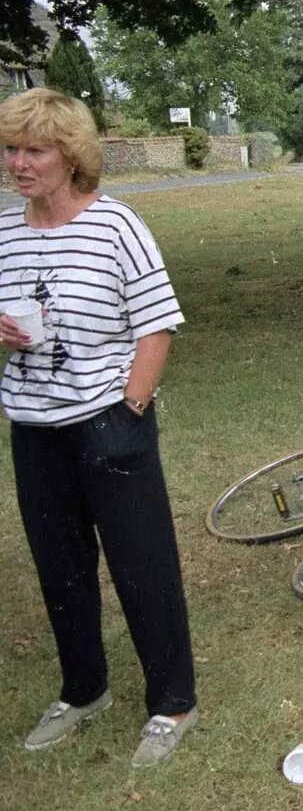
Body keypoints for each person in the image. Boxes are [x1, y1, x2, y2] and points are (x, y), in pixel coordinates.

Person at [0, 88, 197, 767]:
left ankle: (172, 702)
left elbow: (157, 323)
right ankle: (84, 690)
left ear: (70, 154)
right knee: (61, 570)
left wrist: (129, 408)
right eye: (11, 149)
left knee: (144, 567)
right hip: (35, 427)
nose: (19, 163)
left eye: (35, 149)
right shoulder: (5, 231)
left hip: (111, 424)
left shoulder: (115, 225)